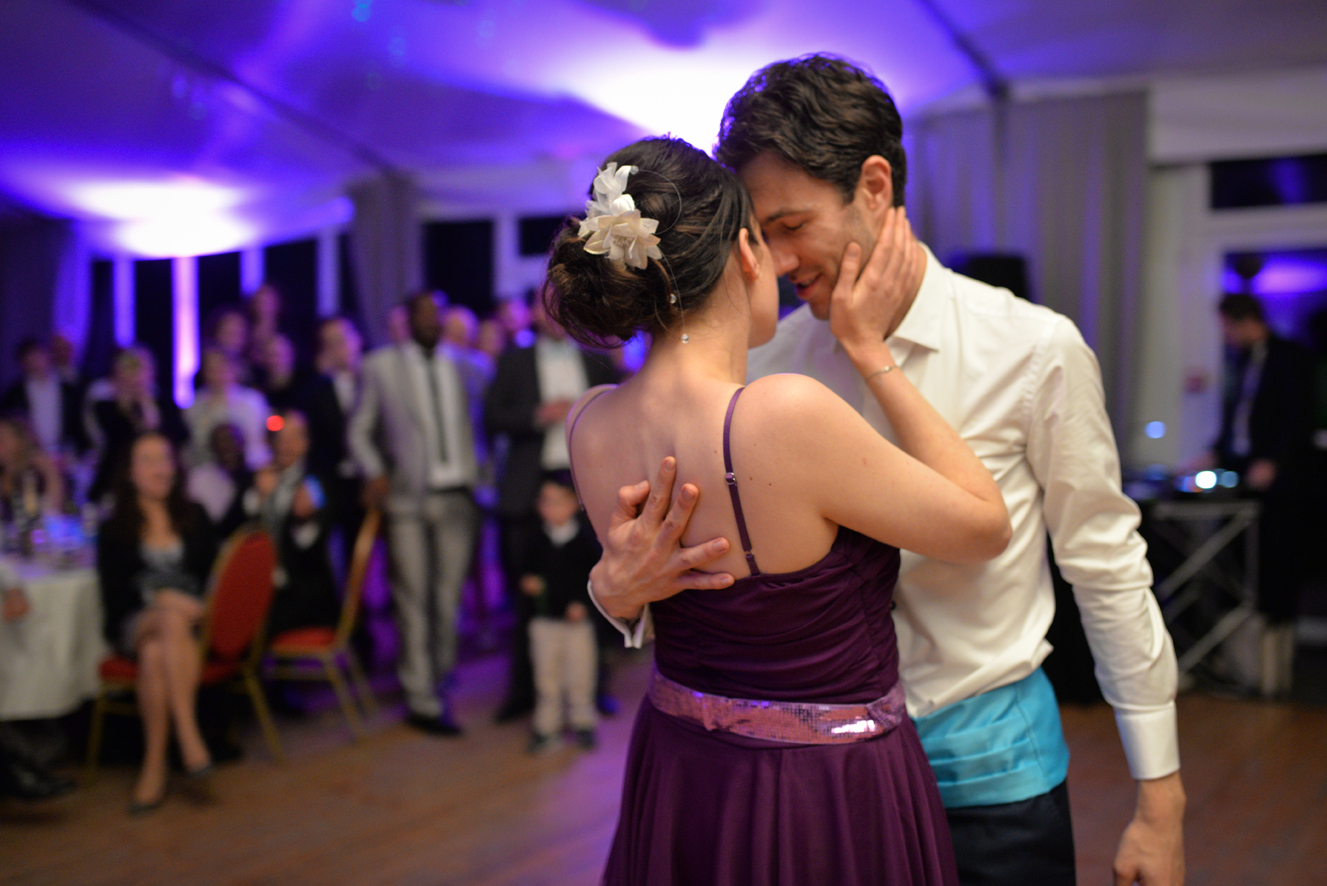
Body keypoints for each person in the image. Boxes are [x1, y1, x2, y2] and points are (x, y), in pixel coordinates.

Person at [589, 55, 1186, 886]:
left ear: (873, 187)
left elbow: (1107, 568)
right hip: (818, 796)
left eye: (792, 224)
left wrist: (1159, 800)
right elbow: (714, 582)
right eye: (759, 235)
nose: (776, 262)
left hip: (989, 783)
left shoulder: (1031, 349)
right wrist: (616, 594)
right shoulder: (764, 364)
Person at [549, 137, 1010, 884]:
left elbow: (640, 594)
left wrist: (610, 588)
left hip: (678, 770)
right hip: (819, 788)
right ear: (744, 252)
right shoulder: (783, 414)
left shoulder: (588, 421)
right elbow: (984, 527)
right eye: (768, 237)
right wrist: (869, 350)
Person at [484, 286, 620, 722]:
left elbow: (616, 416)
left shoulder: (593, 358)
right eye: (547, 307)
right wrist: (536, 415)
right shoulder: (514, 360)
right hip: (529, 489)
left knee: (592, 589)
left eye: (562, 307)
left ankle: (594, 688)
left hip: (583, 488)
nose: (555, 316)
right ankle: (523, 692)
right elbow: (491, 417)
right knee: (527, 595)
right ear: (534, 313)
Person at [349, 291, 481, 737]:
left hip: (458, 496)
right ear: (407, 319)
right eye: (421, 313)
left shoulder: (466, 366)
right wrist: (374, 470)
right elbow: (359, 430)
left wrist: (485, 473)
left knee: (448, 599)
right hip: (408, 500)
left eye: (435, 314)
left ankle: (439, 676)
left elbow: (483, 424)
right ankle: (421, 696)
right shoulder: (380, 367)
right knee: (412, 598)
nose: (429, 320)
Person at [1195, 293, 1313, 695]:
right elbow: (1240, 418)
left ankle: (1270, 668)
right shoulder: (1241, 361)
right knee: (1235, 562)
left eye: (1227, 327)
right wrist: (1214, 453)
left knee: (1275, 565)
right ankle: (1234, 660)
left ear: (1244, 321)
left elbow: (1297, 417)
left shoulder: (1290, 357)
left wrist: (1275, 462)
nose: (1225, 336)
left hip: (1281, 484)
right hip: (1243, 474)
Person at [96, 431, 219, 813]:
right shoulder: (112, 527)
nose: (160, 468)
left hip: (188, 624)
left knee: (155, 654)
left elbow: (215, 577)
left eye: (164, 458)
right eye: (148, 460)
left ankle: (154, 767)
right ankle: (187, 733)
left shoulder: (195, 515)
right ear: (130, 473)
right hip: (135, 621)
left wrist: (194, 605)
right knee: (165, 619)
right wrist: (161, 598)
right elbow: (115, 599)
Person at [520, 471, 602, 754]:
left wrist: (583, 603)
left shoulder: (586, 541)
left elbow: (595, 578)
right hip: (544, 622)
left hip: (577, 624)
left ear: (573, 504)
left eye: (558, 501)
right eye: (545, 501)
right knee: (546, 678)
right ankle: (547, 727)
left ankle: (582, 722)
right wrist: (527, 582)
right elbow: (522, 571)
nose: (551, 508)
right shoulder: (533, 539)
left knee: (580, 675)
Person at [244, 410, 339, 639]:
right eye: (281, 438)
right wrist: (257, 498)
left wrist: (304, 519)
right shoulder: (258, 478)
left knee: (252, 622)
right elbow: (232, 531)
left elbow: (314, 544)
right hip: (258, 585)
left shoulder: (316, 482)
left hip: (302, 593)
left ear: (307, 442)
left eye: (295, 437)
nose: (286, 445)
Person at [85, 346, 187, 504]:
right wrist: (126, 406)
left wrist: (147, 404)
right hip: (116, 482)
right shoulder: (105, 407)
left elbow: (179, 437)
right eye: (129, 368)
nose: (135, 375)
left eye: (140, 368)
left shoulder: (166, 405)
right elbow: (118, 442)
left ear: (152, 372)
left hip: (161, 480)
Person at [1, 337, 88, 459]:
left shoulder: (68, 389)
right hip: (30, 454)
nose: (36, 363)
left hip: (66, 453)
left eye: (38, 357)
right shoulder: (16, 393)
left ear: (48, 356)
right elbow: (12, 423)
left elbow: (78, 423)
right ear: (23, 363)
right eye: (30, 359)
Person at [185, 348, 272, 470]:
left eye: (222, 367)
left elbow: (259, 439)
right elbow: (199, 443)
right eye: (211, 369)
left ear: (233, 368)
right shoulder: (195, 406)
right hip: (211, 469)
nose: (217, 374)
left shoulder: (253, 400)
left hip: (253, 466)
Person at [0, 415, 65, 524]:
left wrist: (50, 471)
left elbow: (54, 512)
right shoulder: (3, 474)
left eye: (2, 439)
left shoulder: (37, 471)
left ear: (19, 440)